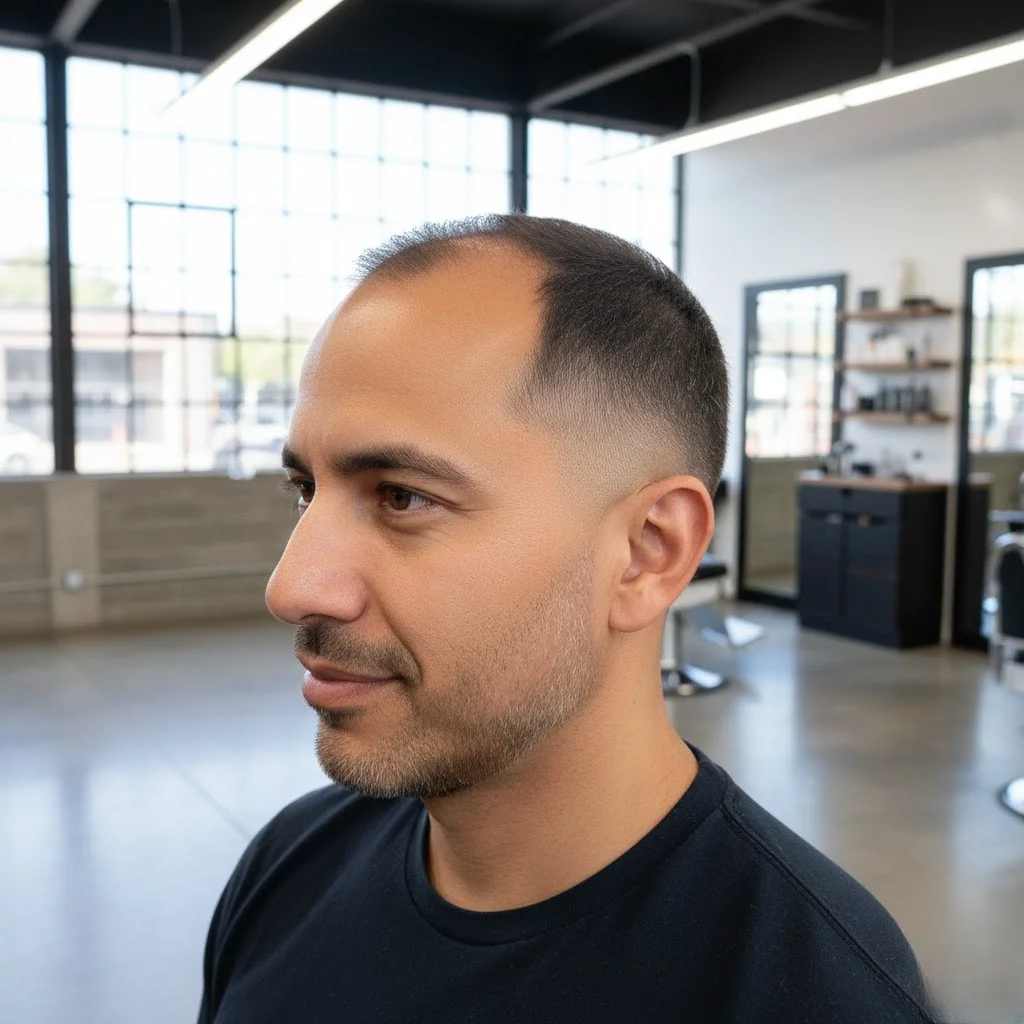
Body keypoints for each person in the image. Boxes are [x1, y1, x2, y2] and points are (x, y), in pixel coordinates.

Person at [197, 214, 943, 1023]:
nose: (293, 586)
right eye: (305, 490)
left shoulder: (819, 993)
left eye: (403, 496)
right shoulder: (289, 867)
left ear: (647, 552)